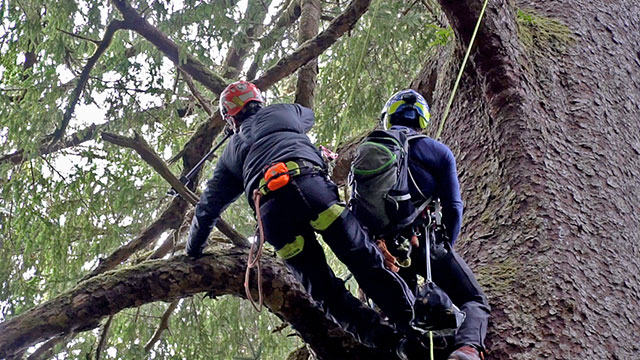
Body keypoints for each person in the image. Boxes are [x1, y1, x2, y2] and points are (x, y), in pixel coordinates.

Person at [185, 80, 418, 351]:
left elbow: (207, 209)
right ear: (258, 101)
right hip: (312, 190)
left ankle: (388, 343)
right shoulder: (285, 112)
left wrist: (193, 250)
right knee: (362, 259)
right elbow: (308, 117)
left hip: (274, 217)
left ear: (231, 116)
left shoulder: (229, 154)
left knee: (323, 290)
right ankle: (411, 324)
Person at [378, 89, 491, 360]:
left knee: (399, 310)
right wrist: (445, 247)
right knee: (474, 301)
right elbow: (453, 207)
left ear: (390, 117)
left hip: (384, 251)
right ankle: (466, 349)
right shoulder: (438, 151)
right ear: (422, 119)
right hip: (424, 241)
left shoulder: (373, 149)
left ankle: (406, 348)